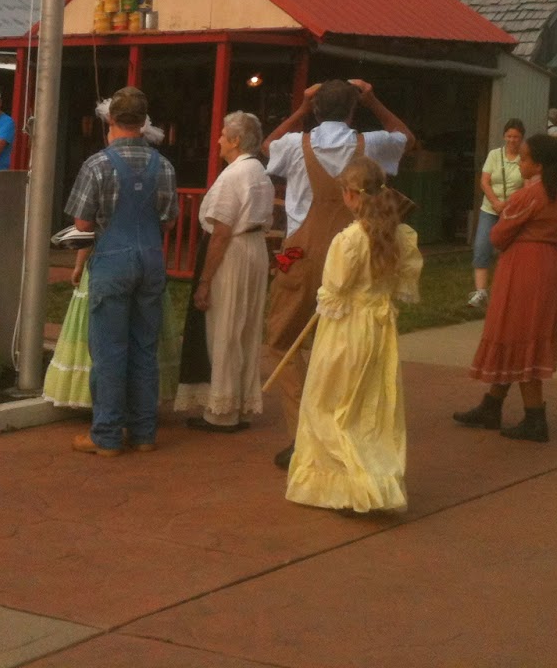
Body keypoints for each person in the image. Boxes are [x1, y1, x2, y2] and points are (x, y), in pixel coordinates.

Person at [262, 78, 414, 471]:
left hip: (302, 253)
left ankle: (302, 435)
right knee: (344, 345)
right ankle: (340, 429)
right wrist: (375, 100)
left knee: (284, 341)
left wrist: (300, 109)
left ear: (315, 110)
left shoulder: (297, 145)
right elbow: (406, 138)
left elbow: (267, 147)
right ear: (353, 110)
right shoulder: (373, 144)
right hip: (359, 248)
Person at [285, 154, 423, 514]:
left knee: (332, 404)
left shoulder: (348, 241)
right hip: (379, 330)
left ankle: (350, 483)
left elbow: (333, 290)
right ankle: (373, 478)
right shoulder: (403, 236)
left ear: (350, 195)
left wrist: (329, 300)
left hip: (346, 330)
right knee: (369, 408)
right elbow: (403, 285)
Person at [64, 87, 178, 456]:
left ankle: (108, 435)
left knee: (110, 350)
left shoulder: (96, 165)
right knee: (144, 347)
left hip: (113, 259)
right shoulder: (164, 165)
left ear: (110, 120)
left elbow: (82, 223)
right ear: (145, 123)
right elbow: (169, 219)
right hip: (151, 258)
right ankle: (144, 432)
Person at [453, 134, 557, 442]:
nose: (520, 162)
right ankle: (491, 405)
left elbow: (498, 236)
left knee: (518, 331)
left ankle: (535, 418)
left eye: (524, 158)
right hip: (550, 264)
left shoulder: (528, 196)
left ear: (538, 165)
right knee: (522, 332)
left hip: (524, 267)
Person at [176, 111, 274, 432]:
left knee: (224, 324)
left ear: (234, 140)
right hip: (256, 248)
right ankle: (240, 404)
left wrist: (204, 280)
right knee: (246, 326)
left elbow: (220, 231)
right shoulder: (260, 171)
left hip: (233, 250)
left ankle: (221, 411)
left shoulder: (233, 175)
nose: (217, 140)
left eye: (222, 135)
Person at [470, 119, 526, 309]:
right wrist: (495, 202)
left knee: (511, 250)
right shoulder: (494, 155)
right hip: (490, 208)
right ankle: (480, 292)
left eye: (516, 137)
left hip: (513, 210)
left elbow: (527, 186)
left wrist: (509, 204)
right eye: (509, 136)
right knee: (482, 246)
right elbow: (484, 181)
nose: (512, 140)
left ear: (521, 138)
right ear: (504, 136)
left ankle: (509, 291)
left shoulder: (525, 158)